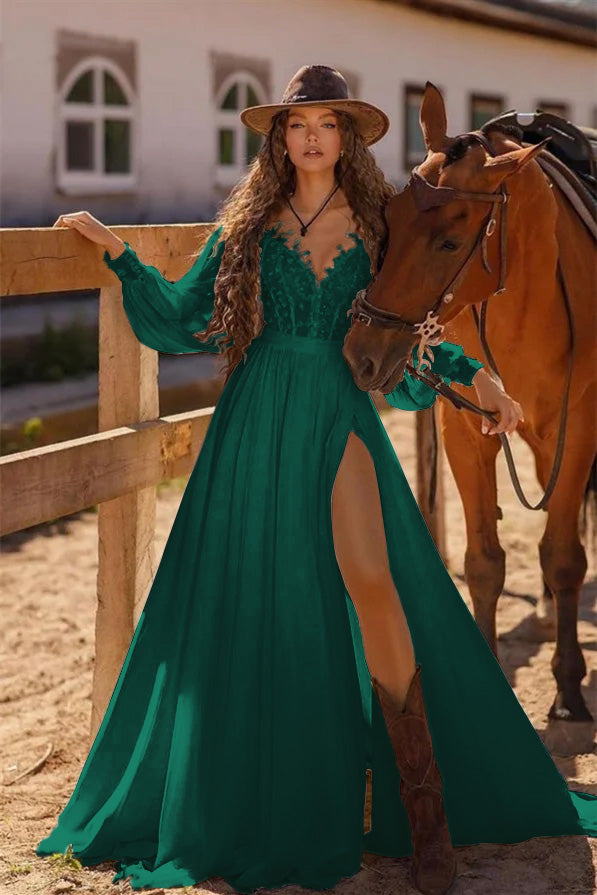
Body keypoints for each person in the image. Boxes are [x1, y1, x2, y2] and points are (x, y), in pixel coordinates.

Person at [37, 64, 596, 895]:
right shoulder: (249, 225)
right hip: (256, 416)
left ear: (347, 139)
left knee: (374, 584)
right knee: (253, 597)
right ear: (278, 138)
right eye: (296, 125)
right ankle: (256, 787)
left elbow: (405, 326)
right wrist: (121, 254)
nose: (310, 137)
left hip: (336, 414)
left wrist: (472, 380)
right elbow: (185, 316)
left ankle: (424, 813)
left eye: (326, 125)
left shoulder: (377, 226)